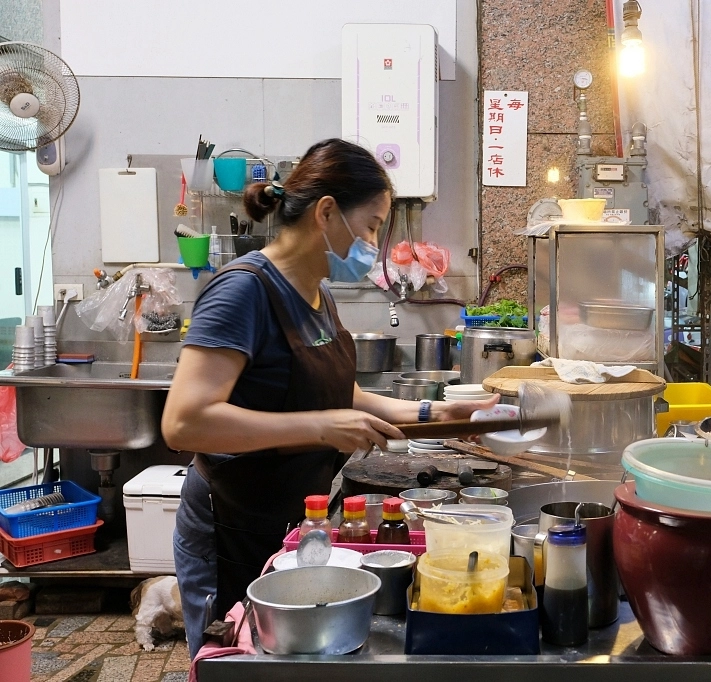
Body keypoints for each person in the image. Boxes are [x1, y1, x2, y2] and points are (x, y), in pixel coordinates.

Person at [162, 139, 497, 658]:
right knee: (237, 659)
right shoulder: (243, 292)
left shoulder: (317, 294)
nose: (373, 244)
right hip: (230, 520)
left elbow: (346, 394)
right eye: (369, 226)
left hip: (292, 516)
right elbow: (185, 423)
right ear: (325, 213)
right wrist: (320, 427)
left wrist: (434, 414)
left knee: (290, 655)